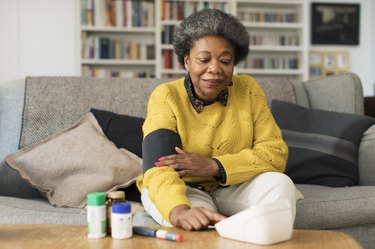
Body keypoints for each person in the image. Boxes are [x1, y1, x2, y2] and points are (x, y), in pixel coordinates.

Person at [136, 8, 297, 231]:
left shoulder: (248, 89)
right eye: (203, 59)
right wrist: (179, 210)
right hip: (186, 188)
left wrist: (213, 166)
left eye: (225, 61)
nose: (215, 69)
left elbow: (275, 153)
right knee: (193, 221)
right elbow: (158, 167)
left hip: (236, 185)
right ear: (186, 62)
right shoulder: (166, 96)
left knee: (280, 185)